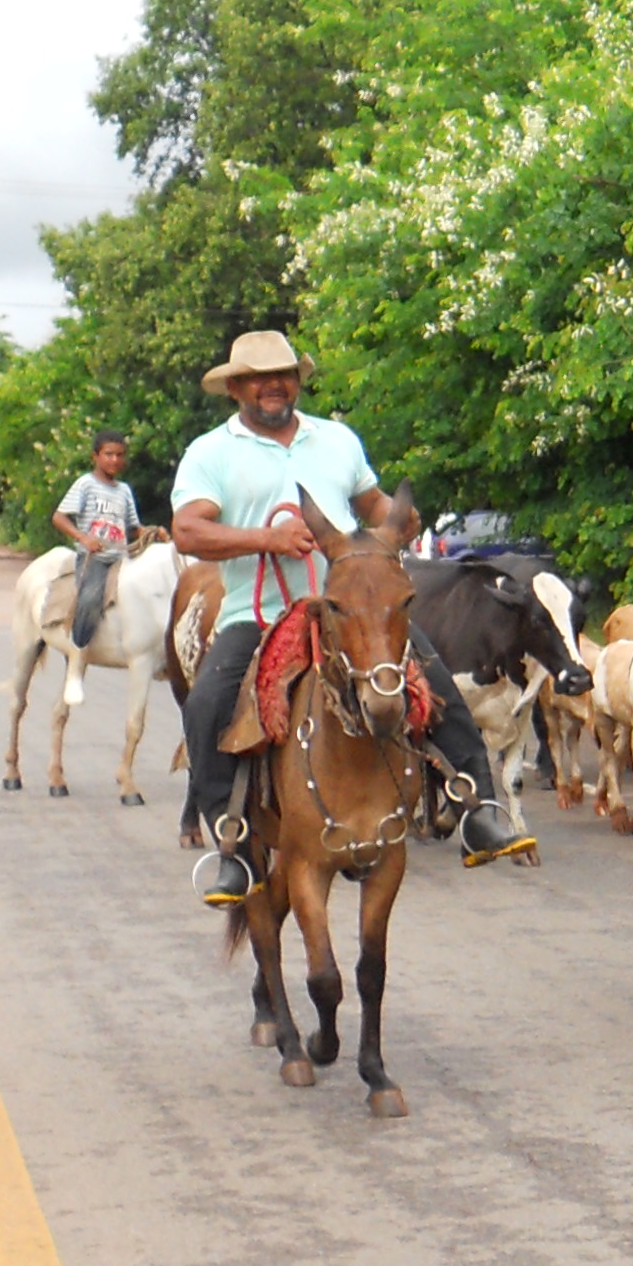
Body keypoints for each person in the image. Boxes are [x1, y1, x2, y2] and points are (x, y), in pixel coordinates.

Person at [169, 329, 529, 904]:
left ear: (297, 380)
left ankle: (477, 808)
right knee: (208, 702)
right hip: (259, 614)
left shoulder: (335, 439)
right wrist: (266, 537)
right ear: (236, 386)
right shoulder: (211, 452)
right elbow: (188, 529)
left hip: (351, 614)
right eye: (259, 377)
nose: (273, 385)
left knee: (434, 680)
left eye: (283, 374)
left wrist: (396, 523)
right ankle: (228, 845)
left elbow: (372, 503)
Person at [53, 435, 138, 648]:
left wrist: (154, 532)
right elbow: (59, 517)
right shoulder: (86, 484)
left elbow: (134, 526)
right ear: (95, 456)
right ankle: (78, 642)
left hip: (122, 558)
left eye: (119, 455)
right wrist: (84, 538)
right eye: (108, 454)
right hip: (95, 558)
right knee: (90, 599)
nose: (114, 460)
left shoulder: (124, 490)